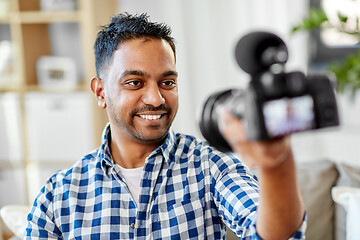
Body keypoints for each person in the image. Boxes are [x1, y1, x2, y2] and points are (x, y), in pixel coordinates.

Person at [25, 12, 306, 239]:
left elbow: (274, 234)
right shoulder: (58, 195)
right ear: (100, 92)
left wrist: (276, 162)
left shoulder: (212, 167)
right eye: (135, 82)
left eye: (167, 82)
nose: (156, 98)